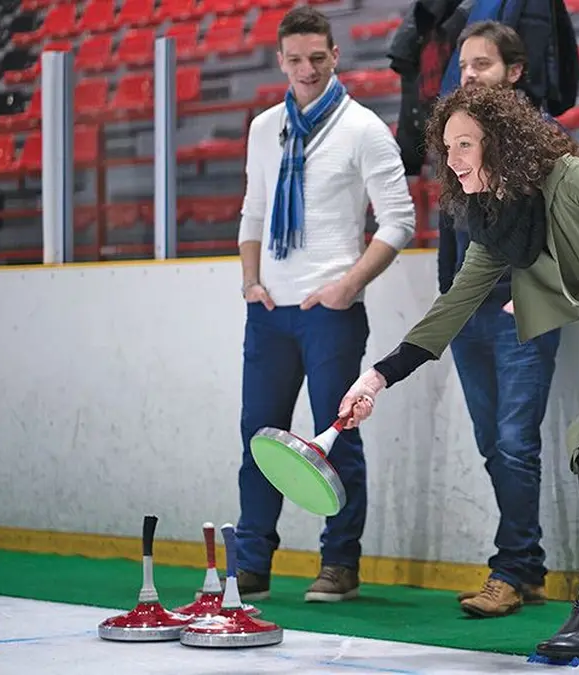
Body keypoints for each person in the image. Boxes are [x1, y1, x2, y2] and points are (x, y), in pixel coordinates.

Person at [336, 84, 579, 663]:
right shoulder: (499, 222)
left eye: (466, 144)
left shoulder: (571, 176)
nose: (452, 160)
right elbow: (451, 309)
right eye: (446, 147)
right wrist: (376, 377)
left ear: (499, 144)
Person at [233, 6, 416, 603]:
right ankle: (252, 561)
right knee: (257, 437)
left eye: (318, 57)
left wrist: (347, 286)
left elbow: (400, 222)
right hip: (269, 313)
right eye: (295, 59)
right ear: (280, 61)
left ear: (335, 55)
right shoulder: (264, 128)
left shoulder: (363, 128)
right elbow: (253, 210)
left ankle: (339, 563)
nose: (307, 69)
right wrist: (250, 281)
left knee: (337, 437)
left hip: (331, 314)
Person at [437, 20, 564, 619]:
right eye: (463, 65)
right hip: (470, 317)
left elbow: (573, 235)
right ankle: (528, 567)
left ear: (514, 72)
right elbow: (455, 241)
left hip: (522, 314)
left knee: (514, 445)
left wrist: (538, 290)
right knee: (495, 446)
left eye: (482, 64)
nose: (468, 74)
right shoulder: (458, 139)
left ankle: (510, 569)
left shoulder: (544, 144)